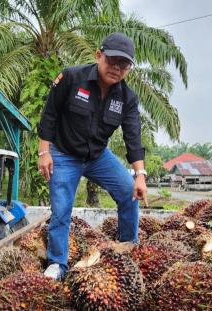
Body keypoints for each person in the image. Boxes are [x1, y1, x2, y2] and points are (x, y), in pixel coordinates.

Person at [37, 32, 148, 280]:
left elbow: (133, 136)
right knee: (62, 209)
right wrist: (44, 152)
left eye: (124, 64)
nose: (116, 68)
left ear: (129, 68)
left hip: (98, 157)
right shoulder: (71, 77)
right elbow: (49, 115)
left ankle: (128, 247)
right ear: (99, 55)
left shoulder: (127, 98)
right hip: (64, 154)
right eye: (112, 61)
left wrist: (140, 175)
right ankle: (57, 264)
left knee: (129, 192)